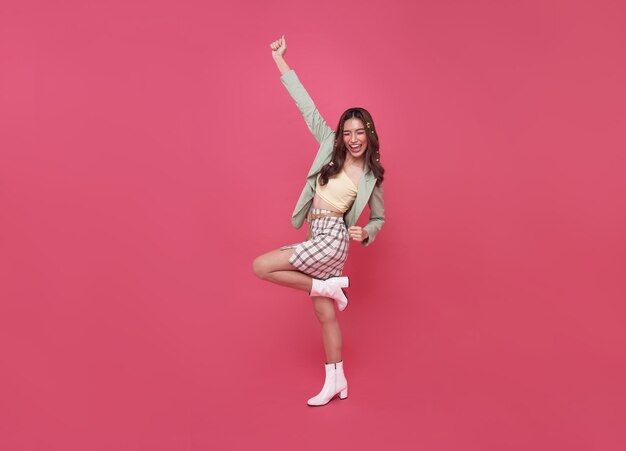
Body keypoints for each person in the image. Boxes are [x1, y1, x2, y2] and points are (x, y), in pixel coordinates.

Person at [252, 35, 386, 407]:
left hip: (334, 238)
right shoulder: (329, 146)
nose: (354, 139)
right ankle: (336, 380)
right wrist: (280, 60)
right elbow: (306, 106)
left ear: (369, 134)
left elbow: (379, 218)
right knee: (325, 314)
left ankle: (328, 287)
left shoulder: (372, 175)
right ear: (341, 135)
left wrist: (366, 232)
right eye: (349, 132)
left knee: (261, 266)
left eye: (360, 132)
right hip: (318, 232)